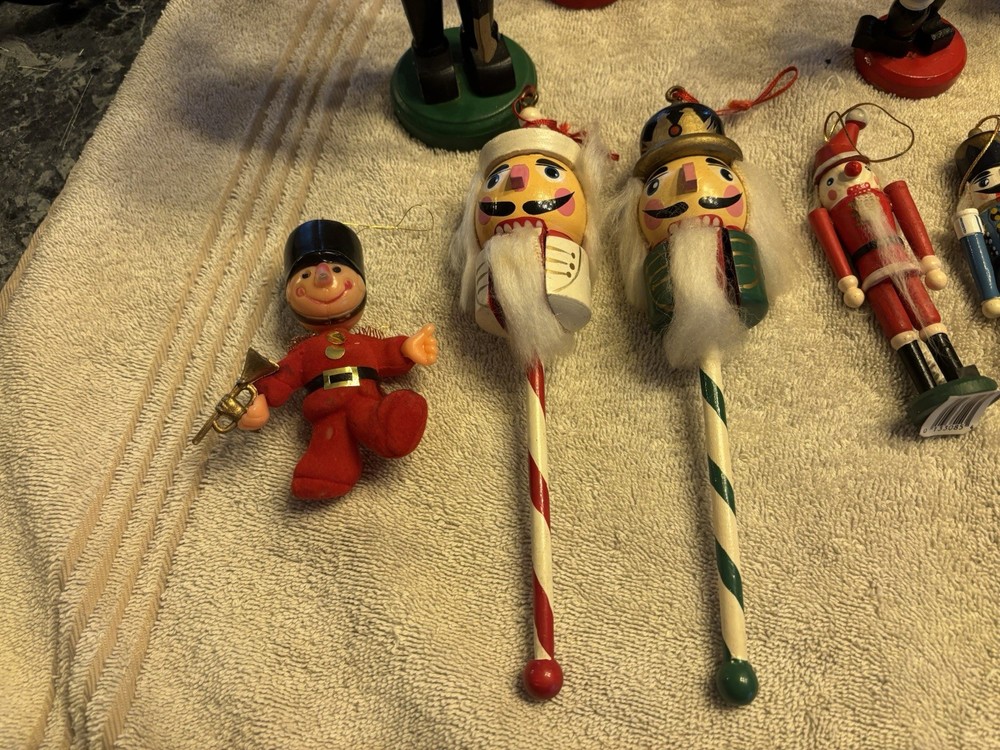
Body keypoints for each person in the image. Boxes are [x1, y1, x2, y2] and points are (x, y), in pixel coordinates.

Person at [239, 220, 438, 500]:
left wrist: (406, 349)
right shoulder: (304, 351)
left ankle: (391, 425)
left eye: (336, 269)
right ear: (289, 293)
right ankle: (325, 474)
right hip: (326, 410)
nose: (322, 277)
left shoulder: (362, 342)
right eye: (305, 274)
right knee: (330, 443)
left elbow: (384, 351)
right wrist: (259, 399)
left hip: (365, 398)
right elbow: (283, 375)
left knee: (373, 418)